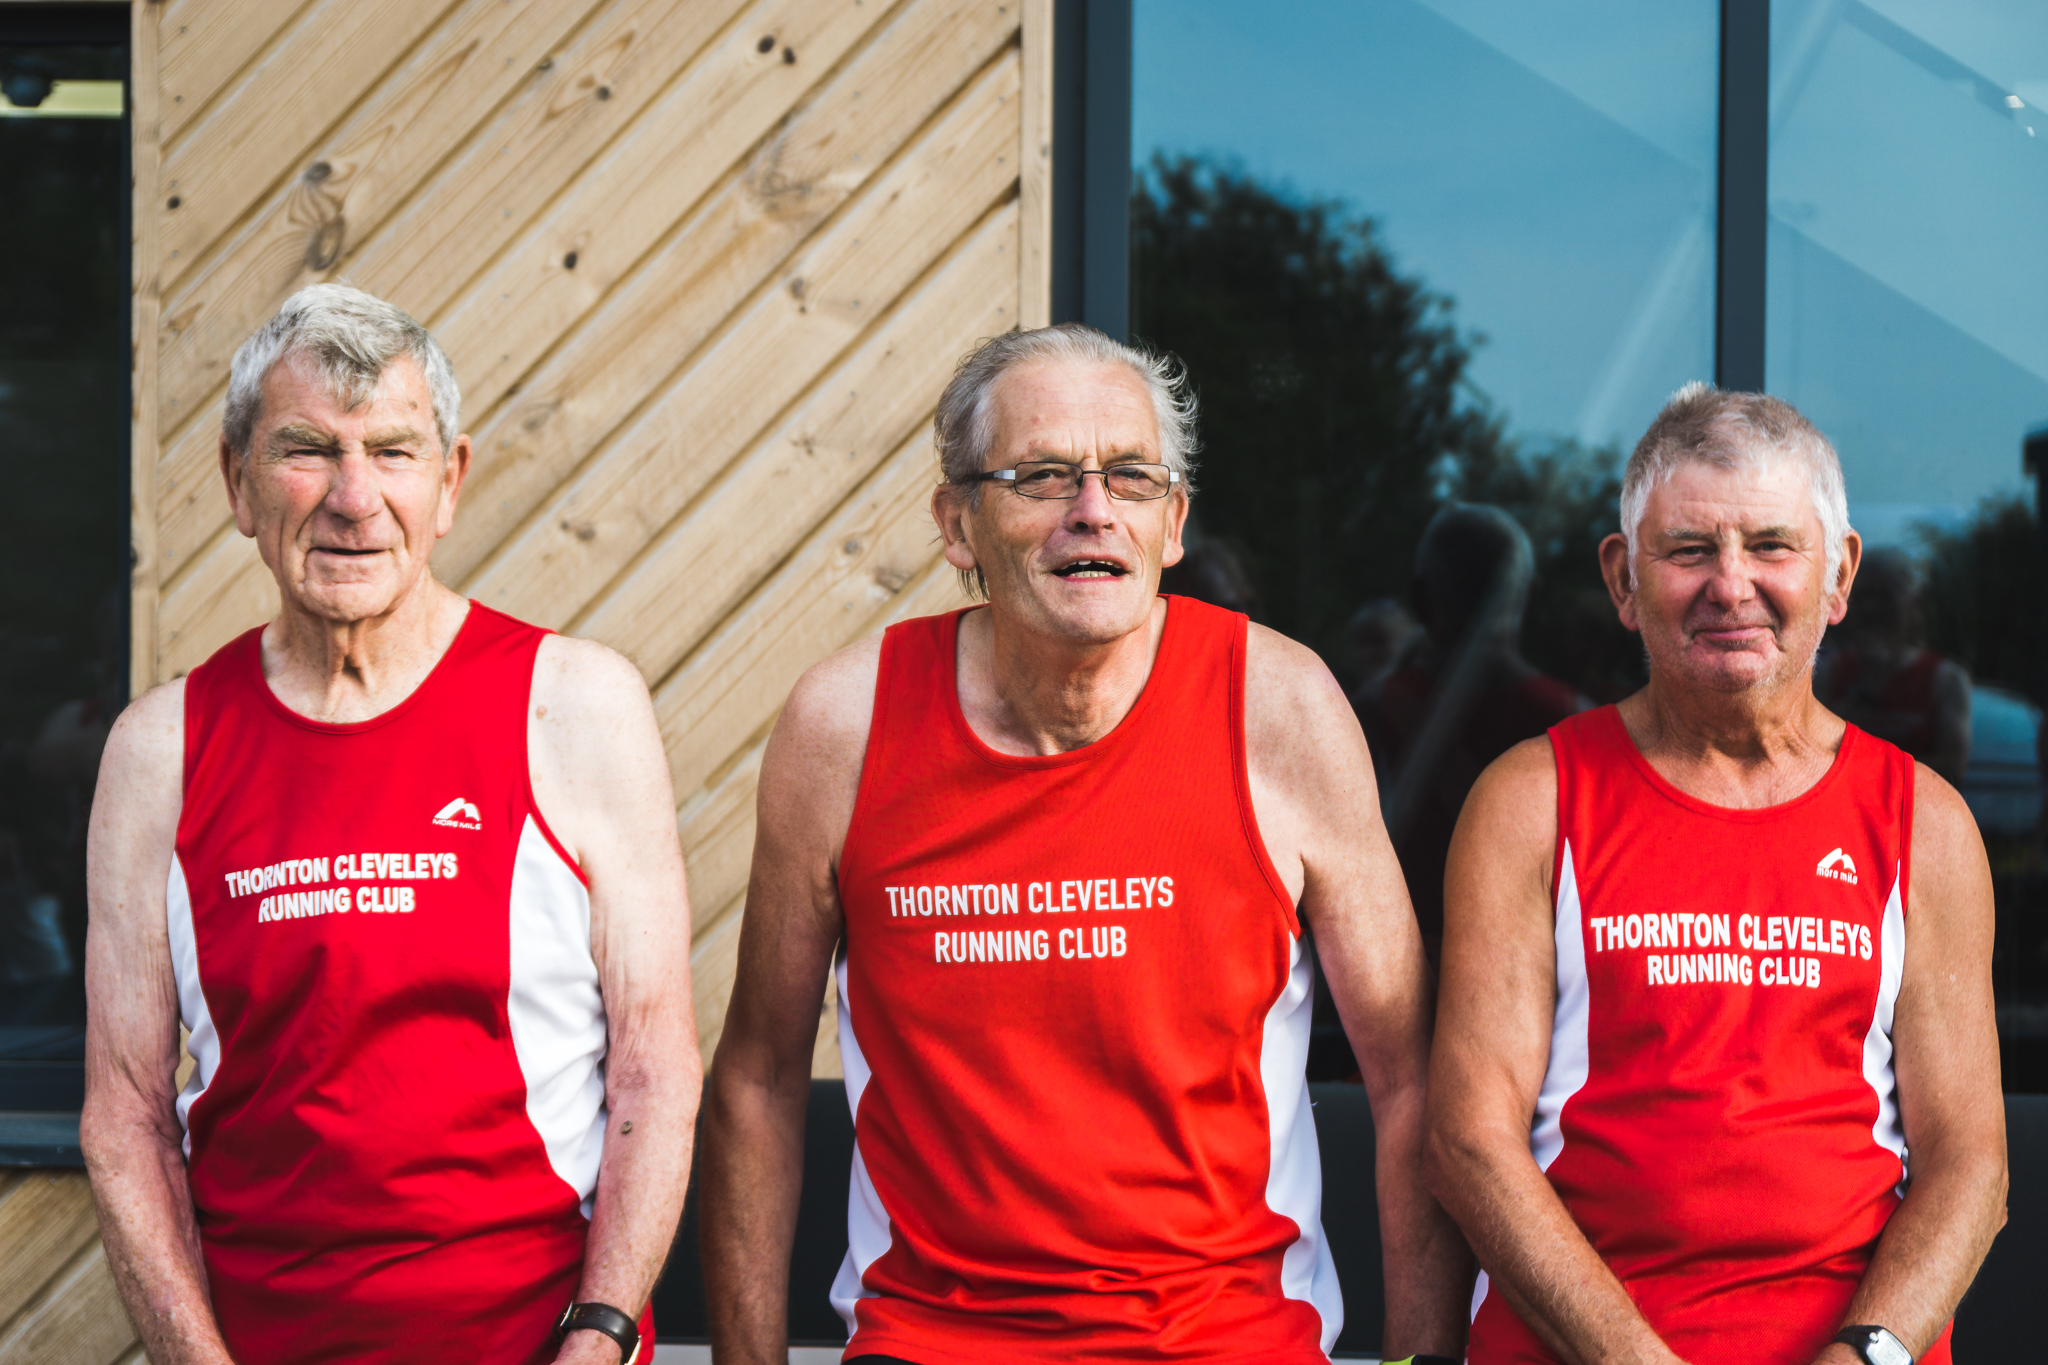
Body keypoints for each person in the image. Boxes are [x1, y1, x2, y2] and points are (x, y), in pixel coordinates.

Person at [700, 324, 1468, 1364]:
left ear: (1174, 522)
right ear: (956, 524)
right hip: (929, 1345)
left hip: (1231, 1344)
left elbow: (1408, 1077)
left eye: (1130, 477)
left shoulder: (1277, 707)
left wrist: (1421, 1359)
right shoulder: (844, 726)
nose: (1091, 512)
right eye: (1043, 476)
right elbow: (756, 1079)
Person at [81, 284, 699, 1365]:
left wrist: (599, 1337)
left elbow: (654, 1064)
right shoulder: (159, 750)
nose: (353, 497)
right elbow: (125, 1112)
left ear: (450, 481)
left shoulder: (577, 705)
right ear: (237, 483)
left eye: (394, 452)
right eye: (307, 449)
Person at [1427, 384, 2007, 1365]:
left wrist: (1864, 1356)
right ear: (1621, 578)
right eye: (1688, 550)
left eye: (1771, 546)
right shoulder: (1530, 802)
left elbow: (1969, 1169)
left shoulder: (1924, 823)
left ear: (1837, 575)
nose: (1729, 584)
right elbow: (1467, 1144)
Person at [1359, 504, 1586, 956]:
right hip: (1536, 981)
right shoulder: (1577, 722)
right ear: (1529, 595)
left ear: (1422, 599)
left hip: (1399, 976)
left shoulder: (1365, 711)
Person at [1815, 545, 1971, 786]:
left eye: (1884, 596)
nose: (1871, 609)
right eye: (1863, 597)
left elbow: (1953, 768)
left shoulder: (1944, 678)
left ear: (1912, 606)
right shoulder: (1828, 673)